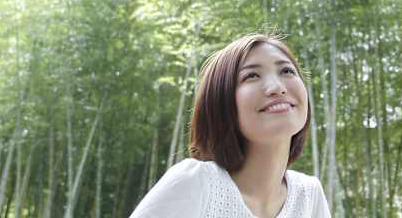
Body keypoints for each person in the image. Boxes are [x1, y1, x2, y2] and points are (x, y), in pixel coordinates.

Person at [130, 33, 331, 218]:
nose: (277, 88)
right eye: (251, 75)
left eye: (287, 71)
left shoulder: (309, 195)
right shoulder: (196, 183)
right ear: (221, 103)